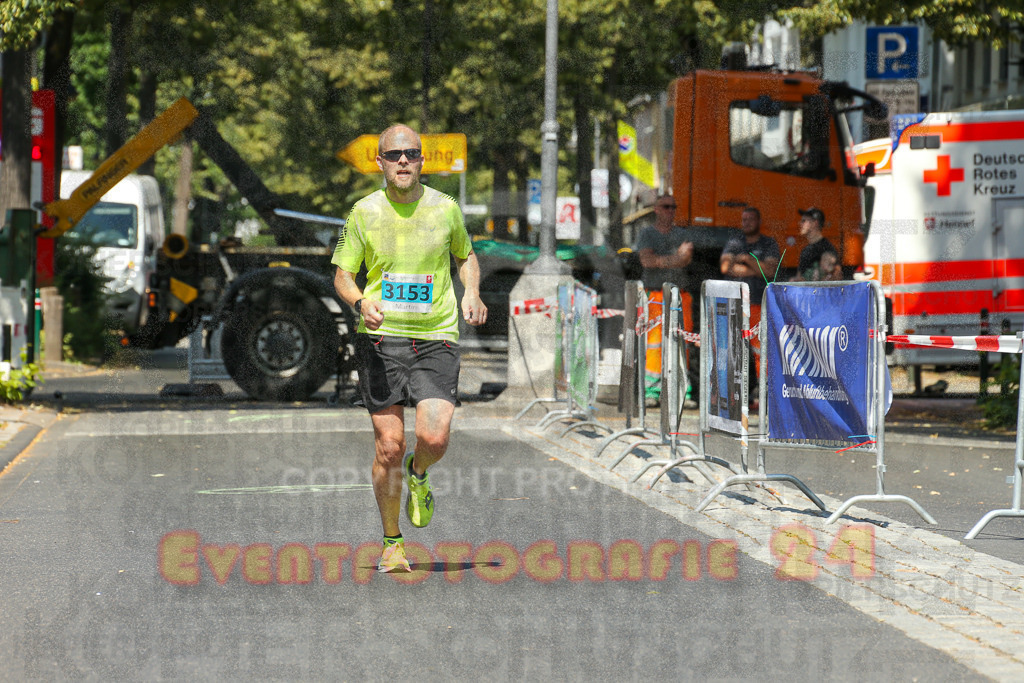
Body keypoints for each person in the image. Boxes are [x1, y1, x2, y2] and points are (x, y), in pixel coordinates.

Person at [332, 124, 488, 573]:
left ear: (422, 161)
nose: (404, 160)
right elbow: (342, 275)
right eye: (394, 154)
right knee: (389, 446)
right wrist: (362, 301)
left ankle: (419, 474)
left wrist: (471, 292)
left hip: (436, 337)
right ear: (379, 162)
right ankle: (391, 542)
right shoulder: (363, 212)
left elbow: (465, 256)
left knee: (434, 438)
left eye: (412, 154)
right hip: (381, 340)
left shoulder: (446, 208)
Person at [634, 194, 694, 406]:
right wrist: (674, 258)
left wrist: (665, 260)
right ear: (656, 209)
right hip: (656, 294)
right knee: (654, 343)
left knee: (682, 342)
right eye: (666, 207)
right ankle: (652, 391)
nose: (671, 210)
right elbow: (646, 261)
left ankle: (682, 391)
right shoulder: (647, 234)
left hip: (680, 295)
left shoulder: (683, 234)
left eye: (673, 207)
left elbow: (685, 259)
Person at [719, 207, 780, 403]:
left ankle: (766, 391)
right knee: (735, 351)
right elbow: (725, 267)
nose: (746, 223)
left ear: (759, 220)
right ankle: (737, 393)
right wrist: (756, 267)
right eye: (743, 219)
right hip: (737, 305)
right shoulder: (734, 243)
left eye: (750, 219)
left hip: (759, 304)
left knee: (762, 352)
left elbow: (770, 271)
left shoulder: (768, 243)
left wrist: (746, 259)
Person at [791, 207, 842, 282]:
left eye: (804, 221)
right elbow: (800, 276)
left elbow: (835, 277)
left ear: (815, 223)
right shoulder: (805, 250)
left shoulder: (827, 248)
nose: (800, 224)